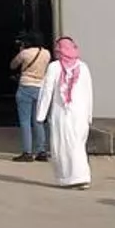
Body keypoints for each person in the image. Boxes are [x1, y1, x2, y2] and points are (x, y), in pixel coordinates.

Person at [33, 36, 93, 189]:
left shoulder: (54, 67)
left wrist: (40, 114)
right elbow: (89, 93)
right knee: (77, 145)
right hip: (80, 114)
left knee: (64, 146)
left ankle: (72, 178)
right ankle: (81, 176)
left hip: (62, 114)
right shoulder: (83, 67)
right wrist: (89, 115)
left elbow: (46, 92)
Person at [10, 34, 50, 163]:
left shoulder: (25, 53)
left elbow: (13, 65)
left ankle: (27, 152)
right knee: (38, 120)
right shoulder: (46, 53)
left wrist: (21, 51)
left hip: (25, 86)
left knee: (25, 121)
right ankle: (41, 151)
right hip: (40, 87)